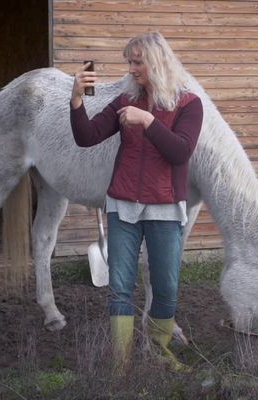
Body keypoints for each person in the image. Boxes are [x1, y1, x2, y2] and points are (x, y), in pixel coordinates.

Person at [69, 31, 203, 372]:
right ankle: (121, 362)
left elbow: (180, 151)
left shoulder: (189, 104)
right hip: (123, 206)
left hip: (165, 207)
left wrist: (148, 122)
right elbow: (87, 137)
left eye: (137, 62)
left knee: (166, 287)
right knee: (120, 289)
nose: (130, 69)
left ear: (156, 63)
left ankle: (158, 350)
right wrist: (76, 101)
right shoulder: (126, 100)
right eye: (129, 61)